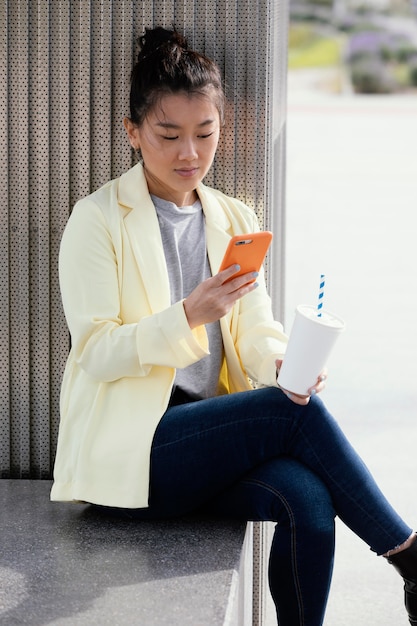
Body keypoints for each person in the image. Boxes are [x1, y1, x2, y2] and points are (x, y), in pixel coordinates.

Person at [50, 26, 417, 626]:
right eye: (168, 135)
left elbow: (256, 329)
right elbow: (95, 351)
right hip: (135, 453)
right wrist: (189, 315)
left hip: (207, 443)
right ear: (134, 131)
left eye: (204, 133)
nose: (188, 153)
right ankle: (410, 556)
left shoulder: (233, 216)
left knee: (308, 498)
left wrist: (282, 363)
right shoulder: (97, 220)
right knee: (284, 413)